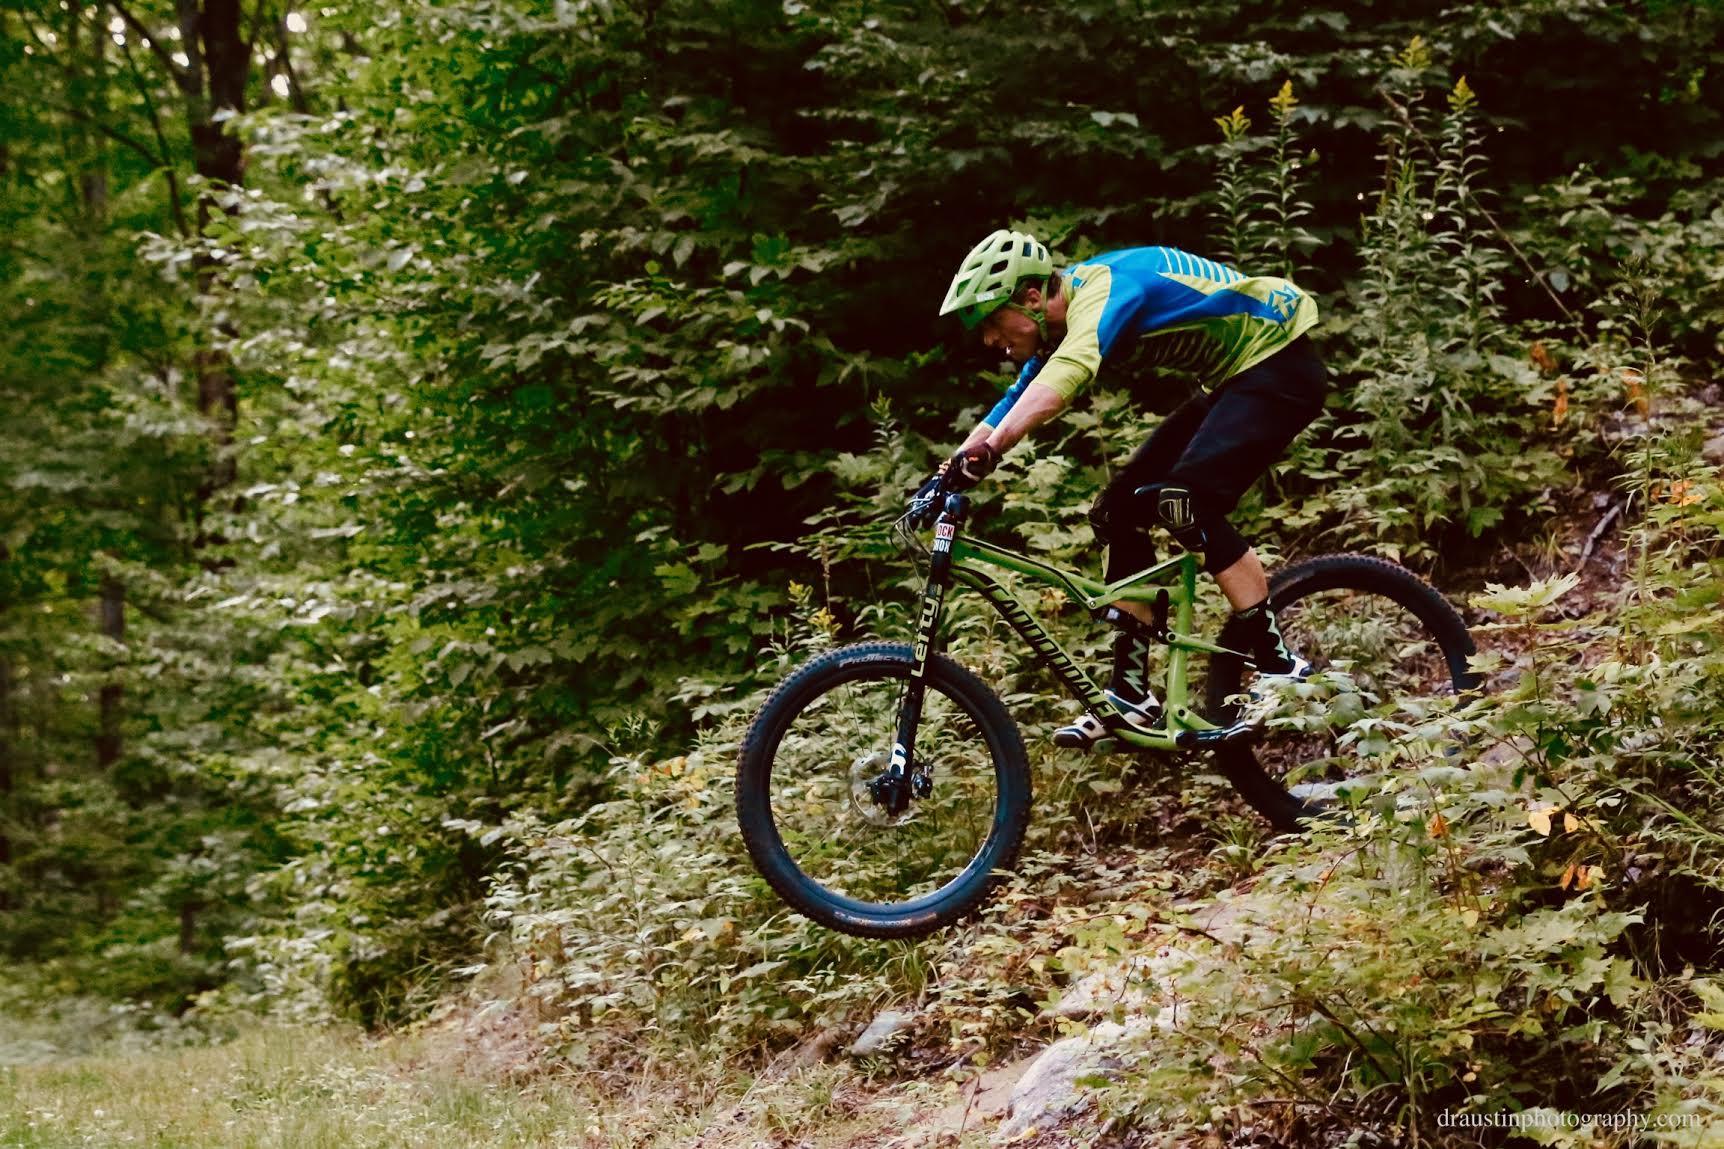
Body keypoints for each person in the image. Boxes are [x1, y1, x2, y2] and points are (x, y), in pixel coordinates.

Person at [925, 229, 1328, 750]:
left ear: (1030, 298)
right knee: (1117, 513)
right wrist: (944, 476)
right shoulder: (1067, 317)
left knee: (1186, 500)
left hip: (1279, 361)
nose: (987, 339)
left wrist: (993, 450)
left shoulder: (1103, 291)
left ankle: (1281, 665)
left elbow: (1068, 376)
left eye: (991, 323)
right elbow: (1014, 400)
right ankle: (1132, 692)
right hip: (1231, 379)